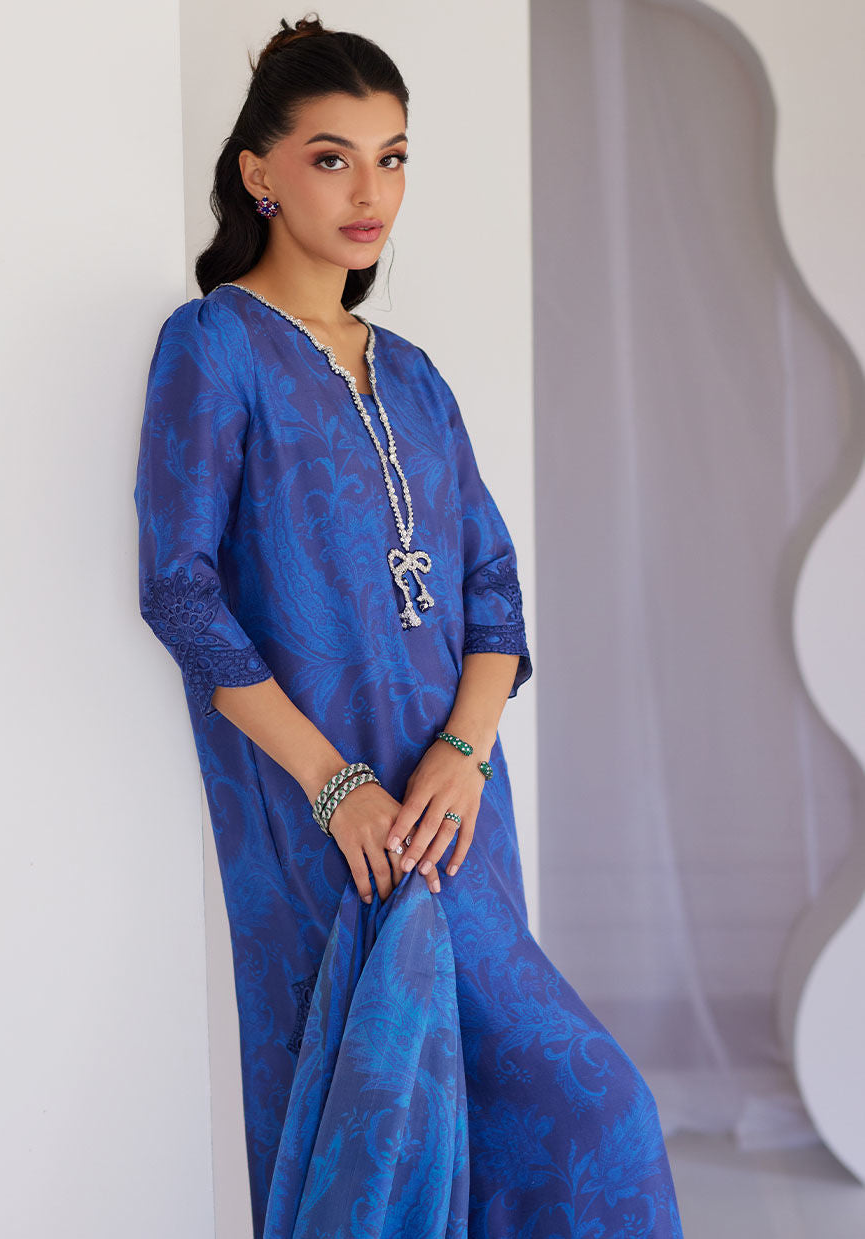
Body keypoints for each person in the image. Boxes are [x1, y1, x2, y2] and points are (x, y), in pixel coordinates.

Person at [134, 14, 685, 1238]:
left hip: (454, 805)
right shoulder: (214, 347)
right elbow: (180, 591)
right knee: (381, 1135)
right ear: (259, 171)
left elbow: (493, 583)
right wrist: (337, 789)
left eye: (391, 158)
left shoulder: (416, 374)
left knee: (551, 1117)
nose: (369, 192)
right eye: (332, 158)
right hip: (323, 820)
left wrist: (465, 753)